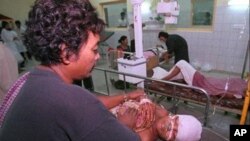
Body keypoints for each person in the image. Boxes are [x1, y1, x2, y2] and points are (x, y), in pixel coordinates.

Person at [0, 0, 144, 141]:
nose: (98, 55)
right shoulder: (69, 98)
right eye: (94, 50)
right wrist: (125, 125)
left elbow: (91, 103)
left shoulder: (31, 78)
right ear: (66, 53)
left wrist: (126, 96)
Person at [110, 97, 202, 141]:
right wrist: (144, 100)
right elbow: (140, 94)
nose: (168, 127)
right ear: (175, 115)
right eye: (176, 122)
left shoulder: (145, 138)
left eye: (173, 134)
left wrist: (123, 126)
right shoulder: (162, 112)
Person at [151, 60, 247, 98]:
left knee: (181, 63)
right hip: (204, 79)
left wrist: (216, 92)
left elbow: (224, 94)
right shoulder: (243, 82)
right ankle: (163, 79)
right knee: (180, 68)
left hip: (202, 83)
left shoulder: (240, 93)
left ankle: (162, 80)